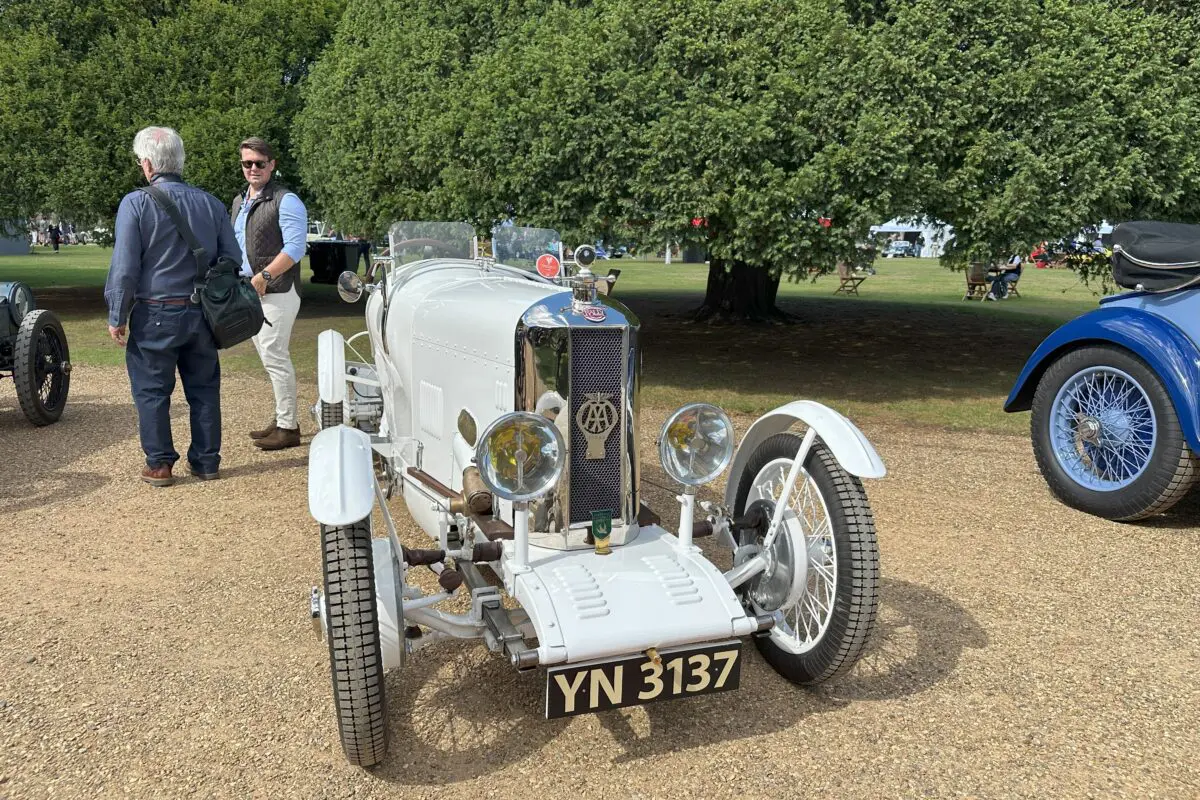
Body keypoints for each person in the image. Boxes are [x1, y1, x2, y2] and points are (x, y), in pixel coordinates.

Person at [104, 126, 241, 486]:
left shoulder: (136, 203)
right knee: (205, 389)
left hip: (155, 312)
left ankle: (160, 463)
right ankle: (207, 461)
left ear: (147, 164)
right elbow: (232, 258)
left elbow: (125, 268)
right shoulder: (211, 203)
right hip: (203, 313)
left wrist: (117, 314)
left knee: (151, 391)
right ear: (178, 162)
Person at [231, 136, 308, 451]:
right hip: (249, 290)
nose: (253, 168)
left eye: (259, 163)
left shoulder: (285, 200)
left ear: (272, 165)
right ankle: (282, 419)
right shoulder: (239, 201)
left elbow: (295, 247)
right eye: (247, 163)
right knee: (267, 356)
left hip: (276, 289)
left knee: (275, 355)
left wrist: (265, 276)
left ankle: (288, 427)